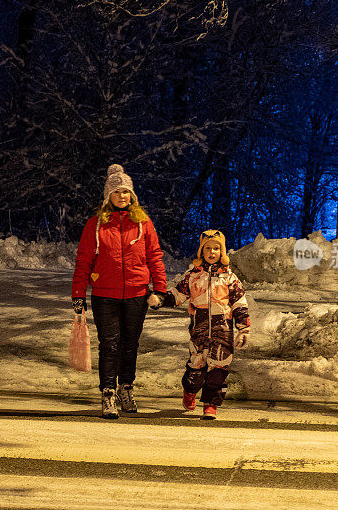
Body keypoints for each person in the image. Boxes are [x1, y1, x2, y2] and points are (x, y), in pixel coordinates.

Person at [72, 163, 167, 419]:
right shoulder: (95, 225)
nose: (122, 196)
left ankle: (126, 388)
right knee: (109, 346)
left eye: (126, 192)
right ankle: (108, 394)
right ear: (108, 197)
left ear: (132, 196)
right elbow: (83, 261)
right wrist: (78, 294)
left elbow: (155, 256)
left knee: (130, 345)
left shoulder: (143, 223)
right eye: (117, 192)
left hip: (137, 295)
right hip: (105, 296)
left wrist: (160, 289)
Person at [162, 229, 250, 420]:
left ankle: (211, 405)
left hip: (223, 332)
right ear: (201, 252)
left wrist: (243, 328)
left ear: (222, 252)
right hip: (199, 333)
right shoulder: (193, 276)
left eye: (216, 249)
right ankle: (190, 390)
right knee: (195, 372)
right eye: (207, 248)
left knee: (218, 371)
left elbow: (240, 303)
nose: (212, 252)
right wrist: (161, 300)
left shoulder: (229, 278)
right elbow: (178, 295)